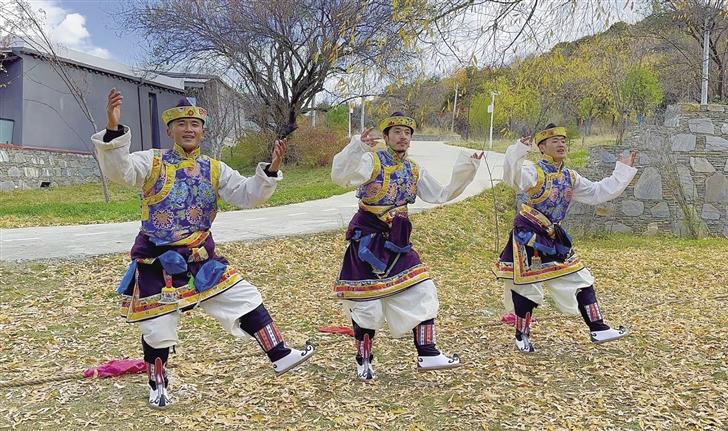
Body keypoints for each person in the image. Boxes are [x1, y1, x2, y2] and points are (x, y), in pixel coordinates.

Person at [91, 89, 314, 409]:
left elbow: (247, 194)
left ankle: (280, 354)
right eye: (181, 124)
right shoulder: (152, 161)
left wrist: (271, 169)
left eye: (194, 124)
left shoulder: (215, 168)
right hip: (158, 261)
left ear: (203, 132)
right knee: (157, 328)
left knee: (243, 295)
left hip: (201, 257)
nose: (188, 129)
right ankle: (157, 384)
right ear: (170, 130)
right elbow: (121, 171)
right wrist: (113, 130)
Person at [330, 112, 483, 380]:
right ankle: (364, 360)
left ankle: (428, 352)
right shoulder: (372, 161)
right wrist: (357, 148)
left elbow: (441, 194)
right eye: (397, 132)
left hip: (398, 242)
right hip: (368, 241)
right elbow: (340, 176)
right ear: (386, 136)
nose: (403, 137)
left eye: (408, 132)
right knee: (367, 306)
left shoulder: (413, 169)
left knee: (423, 288)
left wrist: (468, 166)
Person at [496, 123, 638, 353]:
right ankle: (521, 337)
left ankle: (598, 328)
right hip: (528, 236)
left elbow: (598, 192)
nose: (561, 144)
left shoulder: (570, 176)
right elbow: (513, 179)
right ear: (542, 147)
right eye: (555, 141)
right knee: (526, 288)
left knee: (582, 279)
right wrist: (517, 152)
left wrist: (622, 170)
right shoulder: (534, 172)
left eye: (563, 141)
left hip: (553, 237)